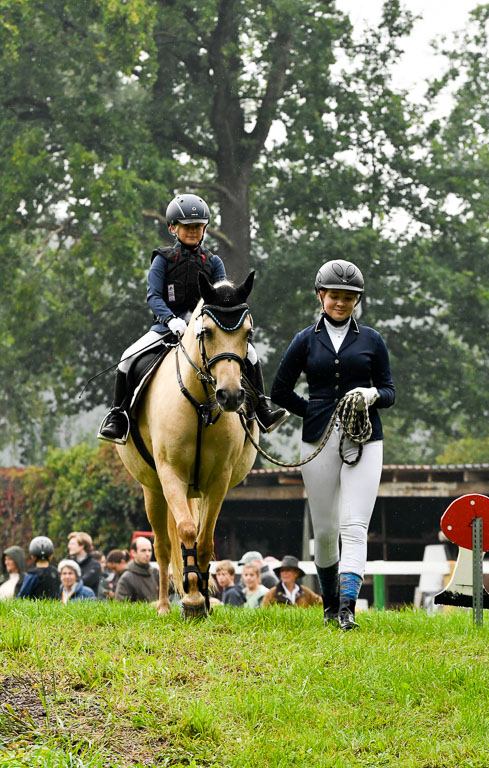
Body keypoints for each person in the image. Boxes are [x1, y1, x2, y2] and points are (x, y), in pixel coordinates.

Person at [98, 193, 287, 443]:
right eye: (187, 226)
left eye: (198, 226)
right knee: (127, 358)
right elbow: (153, 297)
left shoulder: (213, 261)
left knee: (250, 354)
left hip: (206, 328)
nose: (193, 231)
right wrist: (170, 320)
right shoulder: (162, 260)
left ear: (204, 228)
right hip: (167, 327)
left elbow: (222, 296)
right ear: (173, 228)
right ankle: (118, 416)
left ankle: (262, 409)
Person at [271, 259, 395, 630]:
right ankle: (328, 604)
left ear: (356, 301)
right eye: (335, 296)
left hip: (365, 438)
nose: (341, 303)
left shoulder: (372, 339)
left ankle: (347, 610)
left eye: (349, 298)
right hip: (318, 438)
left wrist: (371, 394)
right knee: (325, 531)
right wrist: (311, 410)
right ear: (321, 296)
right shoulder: (304, 340)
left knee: (355, 526)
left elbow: (389, 391)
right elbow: (279, 389)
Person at [114, 537, 159, 603]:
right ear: (133, 553)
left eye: (149, 550)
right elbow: (121, 606)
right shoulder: (126, 578)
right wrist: (149, 606)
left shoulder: (156, 573)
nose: (147, 554)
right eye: (143, 550)